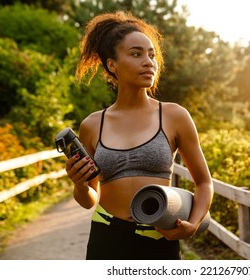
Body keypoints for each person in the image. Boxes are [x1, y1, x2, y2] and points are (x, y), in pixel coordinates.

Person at [65, 11, 213, 260]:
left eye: (151, 54)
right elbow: (89, 199)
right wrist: (79, 185)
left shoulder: (174, 116)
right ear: (112, 65)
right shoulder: (92, 125)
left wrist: (194, 224)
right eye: (136, 54)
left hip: (159, 238)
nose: (149, 62)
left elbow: (204, 183)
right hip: (106, 237)